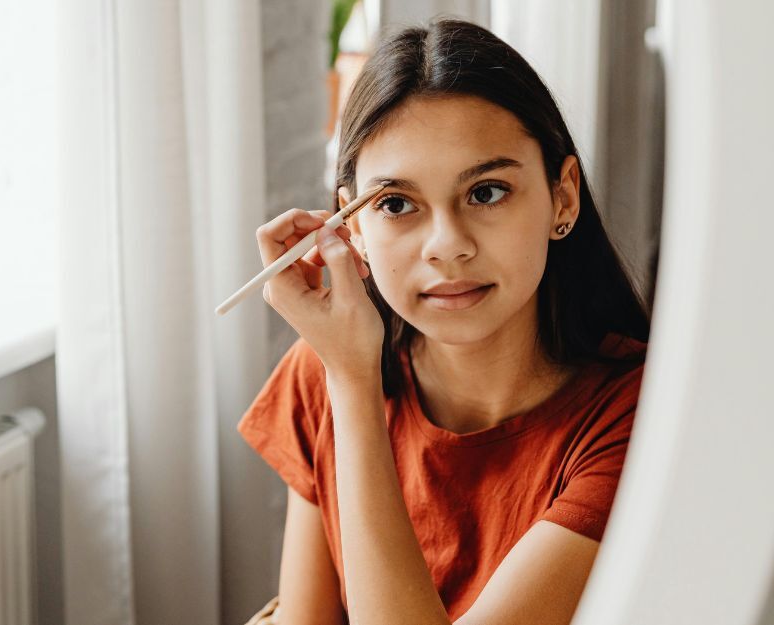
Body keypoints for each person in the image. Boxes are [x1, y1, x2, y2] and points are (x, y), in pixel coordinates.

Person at [238, 17, 650, 625]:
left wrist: (351, 381)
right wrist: (345, 377)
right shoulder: (325, 368)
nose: (448, 246)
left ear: (562, 196)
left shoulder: (640, 418)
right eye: (396, 204)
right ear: (354, 227)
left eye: (486, 192)